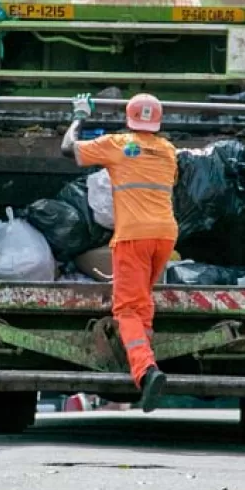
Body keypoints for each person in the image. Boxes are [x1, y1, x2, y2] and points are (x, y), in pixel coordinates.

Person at [60, 92, 176, 413]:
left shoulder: (119, 144)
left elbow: (68, 149)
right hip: (165, 235)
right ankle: (145, 357)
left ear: (129, 119)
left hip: (133, 237)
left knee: (125, 309)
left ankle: (145, 371)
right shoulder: (168, 151)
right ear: (158, 121)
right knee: (143, 302)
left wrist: (80, 116)